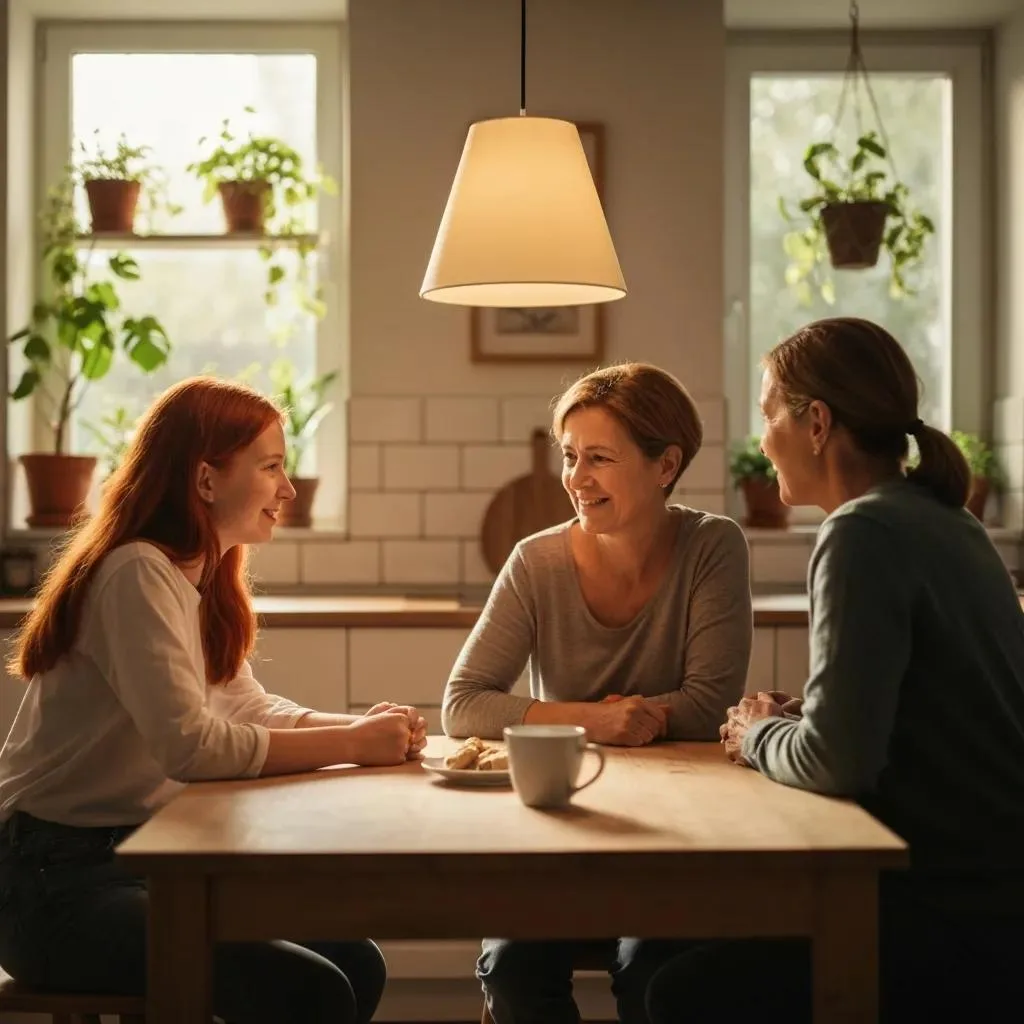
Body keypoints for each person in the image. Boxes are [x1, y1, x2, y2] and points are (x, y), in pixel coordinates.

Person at [0, 376, 428, 1024]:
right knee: (311, 991)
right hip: (49, 883)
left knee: (357, 961)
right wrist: (350, 744)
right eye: (272, 466)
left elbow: (247, 707)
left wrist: (364, 726)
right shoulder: (136, 572)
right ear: (206, 481)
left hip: (141, 859)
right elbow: (192, 745)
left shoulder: (197, 573)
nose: (287, 488)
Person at [646, 317, 1024, 1024]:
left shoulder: (860, 533)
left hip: (942, 911)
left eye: (768, 415)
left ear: (816, 422)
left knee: (676, 992)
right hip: (999, 899)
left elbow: (836, 762)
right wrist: (801, 719)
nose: (762, 442)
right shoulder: (949, 519)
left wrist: (758, 732)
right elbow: (911, 718)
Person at [442, 362, 753, 1024]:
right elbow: (463, 702)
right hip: (561, 823)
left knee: (655, 977)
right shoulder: (535, 560)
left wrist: (588, 720)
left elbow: (709, 707)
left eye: (600, 459)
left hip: (680, 831)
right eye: (570, 456)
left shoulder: (713, 547)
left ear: (665, 465)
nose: (576, 479)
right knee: (516, 970)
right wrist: (595, 722)